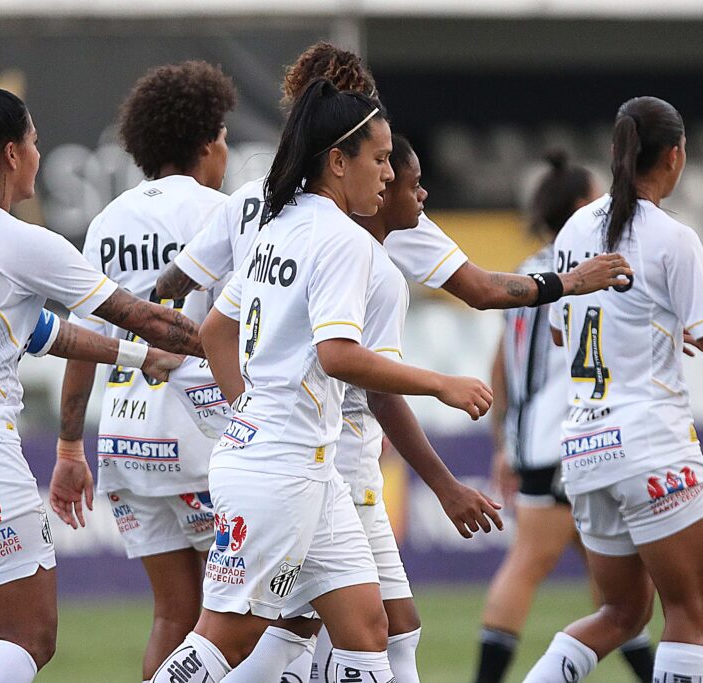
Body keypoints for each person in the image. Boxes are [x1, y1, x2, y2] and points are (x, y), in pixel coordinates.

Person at [150, 79, 493, 683]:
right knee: (228, 636)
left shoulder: (280, 223)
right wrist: (440, 383)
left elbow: (216, 333)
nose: (389, 175)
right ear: (339, 161)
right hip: (280, 467)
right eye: (381, 159)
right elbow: (337, 356)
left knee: (368, 631)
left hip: (301, 464)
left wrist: (247, 413)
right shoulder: (341, 239)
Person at [0, 78, 202, 683]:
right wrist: (230, 346)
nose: (37, 155)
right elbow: (143, 316)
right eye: (33, 143)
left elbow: (39, 333)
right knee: (31, 637)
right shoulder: (19, 240)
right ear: (9, 153)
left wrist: (138, 361)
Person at [521, 96, 703, 683]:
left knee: (621, 612)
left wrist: (651, 323)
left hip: (584, 449)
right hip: (652, 446)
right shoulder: (671, 238)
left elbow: (566, 339)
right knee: (688, 612)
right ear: (676, 156)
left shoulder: (574, 231)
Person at [156, 41, 631, 314]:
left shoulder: (249, 199)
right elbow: (481, 289)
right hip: (326, 433)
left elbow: (170, 286)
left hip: (248, 428)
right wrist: (568, 282)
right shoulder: (372, 207)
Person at [46, 62, 237, 683]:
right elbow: (236, 331)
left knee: (172, 614)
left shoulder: (106, 222)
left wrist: (71, 444)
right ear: (208, 142)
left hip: (127, 441)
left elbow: (83, 343)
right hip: (206, 438)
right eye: (226, 139)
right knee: (239, 616)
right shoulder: (223, 214)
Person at [473, 151, 654, 683]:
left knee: (613, 583)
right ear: (579, 207)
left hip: (536, 439)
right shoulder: (580, 274)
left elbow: (499, 364)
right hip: (567, 437)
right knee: (530, 562)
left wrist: (503, 442)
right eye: (597, 199)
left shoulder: (525, 274)